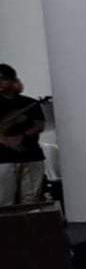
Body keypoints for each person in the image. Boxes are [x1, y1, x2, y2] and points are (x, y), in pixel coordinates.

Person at [0, 64, 46, 206]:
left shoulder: (29, 102)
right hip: (3, 159)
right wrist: (5, 140)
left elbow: (39, 125)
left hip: (31, 156)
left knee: (31, 201)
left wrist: (23, 137)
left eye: (3, 79)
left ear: (13, 80)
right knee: (5, 202)